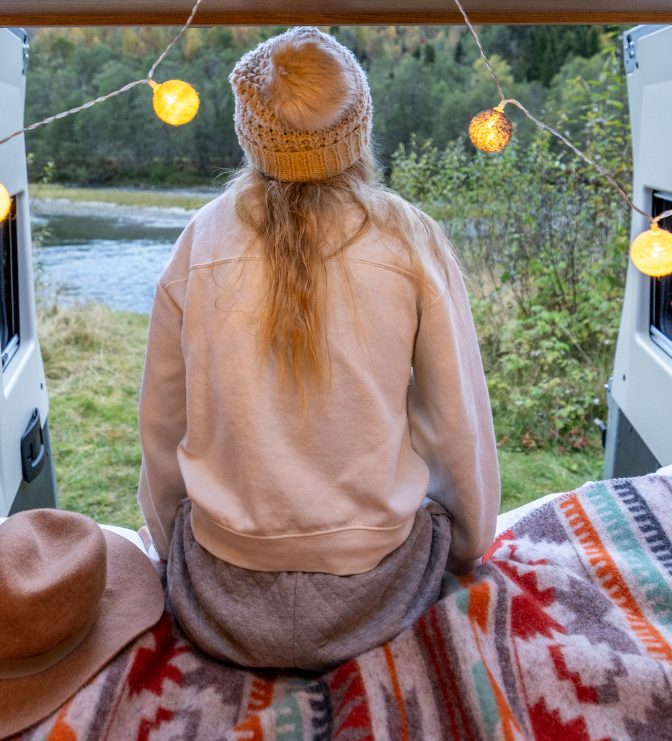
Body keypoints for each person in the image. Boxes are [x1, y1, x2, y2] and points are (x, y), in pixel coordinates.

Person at [137, 27, 500, 672]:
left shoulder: (201, 238)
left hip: (222, 597)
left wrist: (170, 549)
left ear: (250, 130)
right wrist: (468, 548)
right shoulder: (410, 238)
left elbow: (164, 422)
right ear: (356, 126)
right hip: (377, 590)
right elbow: (455, 423)